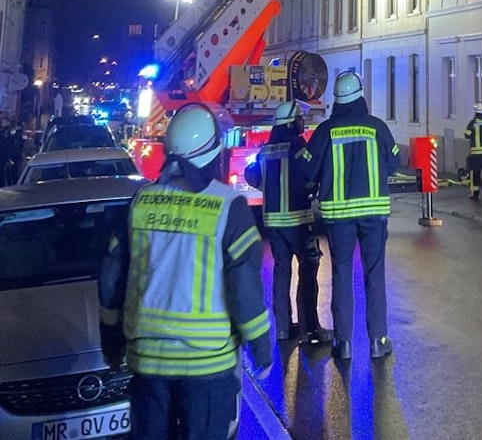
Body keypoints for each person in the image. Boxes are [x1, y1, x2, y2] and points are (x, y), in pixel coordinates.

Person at [99, 103, 272, 440]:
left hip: (147, 361)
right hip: (207, 365)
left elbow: (111, 280)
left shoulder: (139, 202)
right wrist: (261, 349)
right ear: (213, 152)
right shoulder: (228, 206)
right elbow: (244, 288)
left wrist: (111, 344)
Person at [295, 70, 400, 361]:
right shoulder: (376, 127)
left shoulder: (325, 131)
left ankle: (343, 343)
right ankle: (378, 341)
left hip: (338, 217)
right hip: (374, 215)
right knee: (374, 275)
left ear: (337, 100)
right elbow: (394, 162)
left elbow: (307, 169)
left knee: (341, 274)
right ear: (361, 96)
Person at [246, 100, 331, 347]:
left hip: (273, 223)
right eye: (300, 120)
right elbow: (311, 173)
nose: (302, 123)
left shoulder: (265, 150)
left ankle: (283, 328)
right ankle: (309, 328)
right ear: (292, 122)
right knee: (308, 270)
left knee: (281, 272)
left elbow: (251, 176)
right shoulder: (299, 146)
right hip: (298, 220)